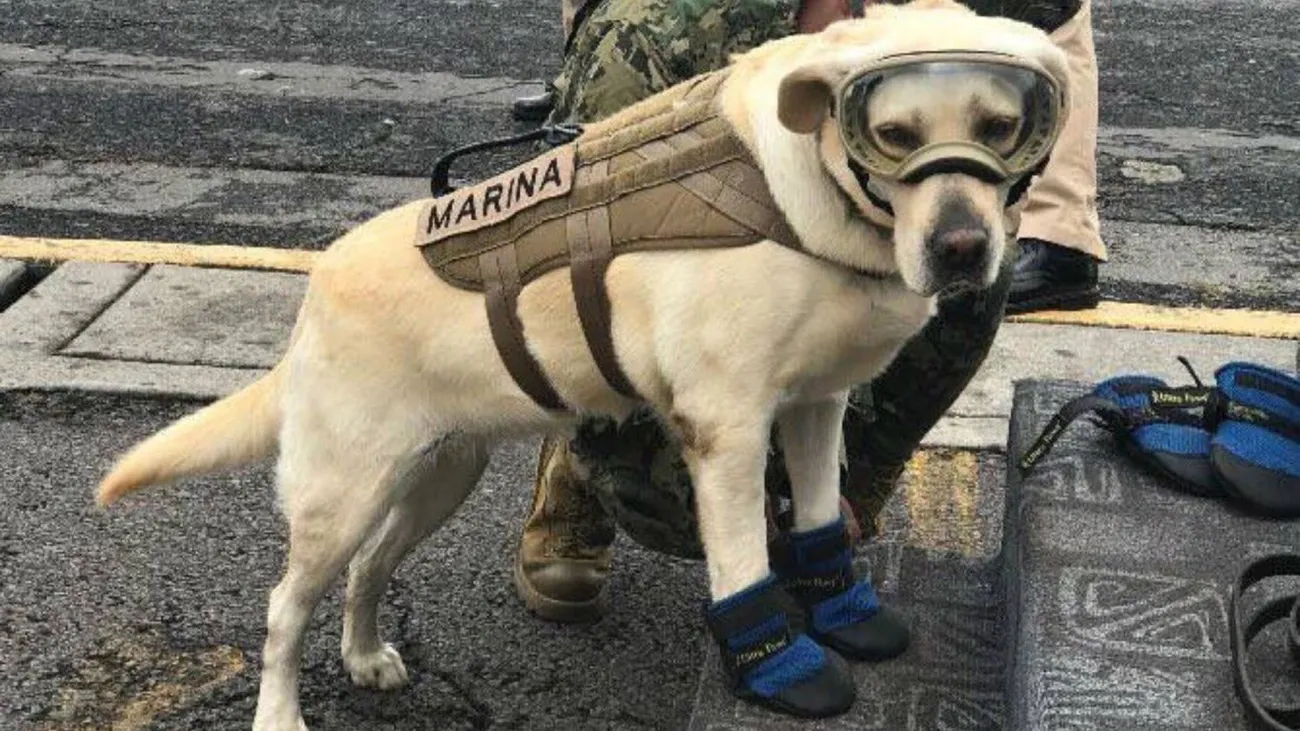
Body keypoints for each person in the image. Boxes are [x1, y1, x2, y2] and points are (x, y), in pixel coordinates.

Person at [511, 0, 1104, 629]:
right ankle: (576, 479)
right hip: (664, 307)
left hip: (833, 288)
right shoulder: (650, 32)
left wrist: (1057, 215)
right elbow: (574, 262)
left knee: (978, 265)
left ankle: (843, 499)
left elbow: (1052, 37)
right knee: (688, 510)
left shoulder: (947, 25)